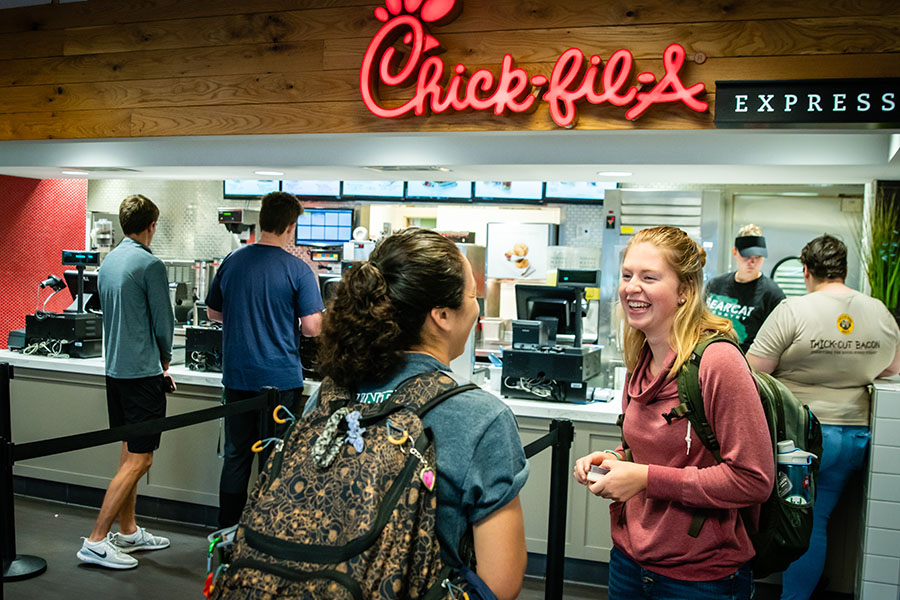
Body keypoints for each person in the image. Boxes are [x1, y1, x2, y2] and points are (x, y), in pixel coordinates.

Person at [306, 228, 529, 600]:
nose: (476, 307)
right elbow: (501, 582)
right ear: (441, 315)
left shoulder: (328, 394)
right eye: (472, 296)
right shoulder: (482, 418)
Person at [573, 225, 773, 600]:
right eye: (627, 275)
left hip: (701, 579)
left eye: (650, 277)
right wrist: (615, 460)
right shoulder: (642, 358)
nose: (632, 287)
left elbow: (754, 479)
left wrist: (646, 478)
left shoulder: (718, 363)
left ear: (684, 291)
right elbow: (654, 454)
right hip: (629, 563)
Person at [747, 234, 900, 600]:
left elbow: (752, 372)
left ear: (805, 271)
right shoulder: (878, 311)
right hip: (854, 437)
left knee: (775, 519)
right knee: (816, 525)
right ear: (844, 270)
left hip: (801, 441)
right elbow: (892, 369)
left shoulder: (794, 310)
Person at [205, 191, 324, 529]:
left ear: (261, 222)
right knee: (275, 460)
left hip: (238, 378)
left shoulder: (232, 261)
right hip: (280, 383)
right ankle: (264, 535)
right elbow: (313, 328)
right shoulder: (299, 270)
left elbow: (214, 312)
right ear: (291, 226)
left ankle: (226, 534)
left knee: (236, 458)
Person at [77, 194, 176, 569]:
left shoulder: (109, 262)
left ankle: (129, 530)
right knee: (142, 458)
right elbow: (163, 323)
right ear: (152, 225)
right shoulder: (150, 264)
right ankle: (97, 539)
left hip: (116, 373)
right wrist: (164, 357)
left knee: (128, 452)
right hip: (141, 375)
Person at [705, 224, 785, 353]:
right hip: (709, 353)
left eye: (757, 257)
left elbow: (779, 340)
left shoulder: (772, 294)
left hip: (747, 362)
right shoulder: (715, 285)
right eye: (746, 256)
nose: (752, 262)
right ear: (734, 252)